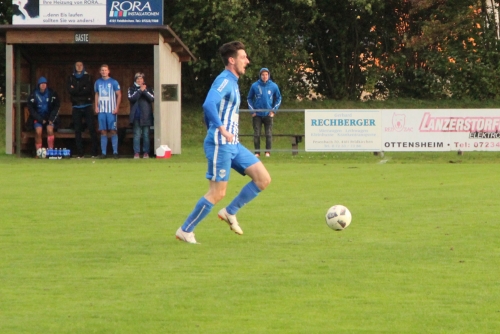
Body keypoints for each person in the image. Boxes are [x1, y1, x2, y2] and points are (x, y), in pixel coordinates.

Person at [175, 41, 272, 244]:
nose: (247, 60)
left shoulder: (234, 82)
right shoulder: (225, 80)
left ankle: (230, 212)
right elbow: (209, 103)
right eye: (243, 57)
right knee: (217, 192)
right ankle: (185, 230)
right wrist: (220, 128)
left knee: (263, 179)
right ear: (231, 60)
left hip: (233, 144)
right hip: (220, 143)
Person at [247, 67, 282, 157]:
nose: (264, 76)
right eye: (263, 75)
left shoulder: (273, 86)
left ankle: (267, 152)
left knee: (268, 133)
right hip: (257, 114)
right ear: (260, 75)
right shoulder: (255, 85)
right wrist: (252, 111)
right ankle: (257, 152)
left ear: (268, 75)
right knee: (257, 133)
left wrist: (273, 111)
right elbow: (249, 98)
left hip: (268, 114)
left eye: (266, 75)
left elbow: (278, 98)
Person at [68, 61, 98, 158]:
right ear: (75, 67)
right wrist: (81, 89)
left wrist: (76, 89)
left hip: (87, 105)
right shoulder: (71, 77)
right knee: (77, 130)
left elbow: (88, 90)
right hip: (76, 106)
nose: (79, 67)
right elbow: (70, 91)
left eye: (81, 65)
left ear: (83, 66)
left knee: (91, 128)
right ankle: (80, 153)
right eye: (77, 65)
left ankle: (94, 152)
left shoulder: (88, 77)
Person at [26, 76, 60, 155]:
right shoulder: (33, 95)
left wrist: (51, 119)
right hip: (38, 118)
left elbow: (56, 106)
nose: (43, 85)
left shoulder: (52, 93)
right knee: (38, 132)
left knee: (50, 130)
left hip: (49, 118)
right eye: (41, 84)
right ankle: (39, 153)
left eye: (44, 83)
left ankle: (51, 151)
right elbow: (31, 110)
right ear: (38, 85)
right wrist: (40, 119)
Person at [94, 64, 122, 159]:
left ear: (108, 71)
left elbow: (119, 94)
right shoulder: (97, 82)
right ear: (100, 71)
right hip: (102, 110)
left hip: (111, 110)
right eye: (102, 70)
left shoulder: (113, 82)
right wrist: (96, 106)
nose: (104, 72)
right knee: (103, 131)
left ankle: (115, 152)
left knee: (113, 130)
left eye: (105, 70)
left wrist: (117, 107)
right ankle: (103, 153)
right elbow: (96, 94)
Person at [127, 72, 154, 159]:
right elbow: (131, 98)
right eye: (138, 79)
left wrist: (144, 91)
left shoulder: (149, 89)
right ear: (135, 80)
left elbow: (152, 98)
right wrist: (139, 91)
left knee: (146, 135)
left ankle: (146, 152)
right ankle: (136, 153)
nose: (139, 80)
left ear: (143, 80)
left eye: (141, 79)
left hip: (146, 116)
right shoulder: (131, 89)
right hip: (136, 116)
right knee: (137, 135)